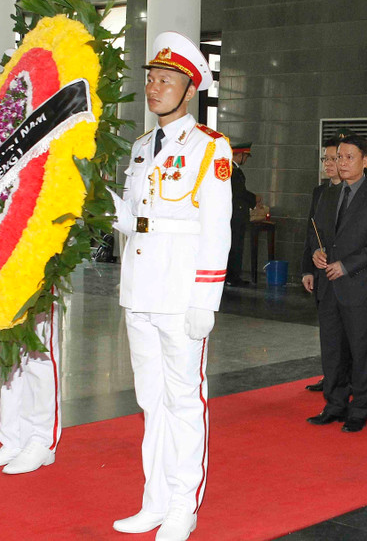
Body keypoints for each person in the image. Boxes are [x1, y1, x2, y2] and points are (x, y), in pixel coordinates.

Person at [109, 31, 232, 540]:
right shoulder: (140, 147)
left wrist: (206, 298)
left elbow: (216, 227)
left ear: (190, 89)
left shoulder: (209, 147)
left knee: (184, 400)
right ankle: (154, 499)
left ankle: (184, 503)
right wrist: (116, 213)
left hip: (181, 296)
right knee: (150, 400)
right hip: (139, 292)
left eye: (166, 79)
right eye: (151, 78)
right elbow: (143, 219)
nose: (154, 87)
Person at [305, 134, 367, 433]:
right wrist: (317, 253)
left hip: (358, 284)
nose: (341, 163)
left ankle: (359, 410)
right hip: (328, 285)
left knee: (361, 349)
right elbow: (316, 234)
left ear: (365, 161)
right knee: (332, 349)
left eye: (349, 157)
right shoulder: (327, 195)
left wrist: (347, 265)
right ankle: (335, 404)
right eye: (338, 157)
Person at [0, 305, 62, 474]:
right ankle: (13, 440)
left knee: (40, 355)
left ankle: (42, 441)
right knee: (12, 356)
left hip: (39, 283)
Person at [301, 137, 343, 392]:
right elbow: (311, 231)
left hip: (346, 273)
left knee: (347, 334)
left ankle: (344, 380)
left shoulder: (353, 193)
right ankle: (330, 377)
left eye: (333, 158)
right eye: (324, 159)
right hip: (322, 271)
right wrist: (308, 266)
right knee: (327, 331)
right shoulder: (320, 192)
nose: (328, 164)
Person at [226, 142, 261, 287]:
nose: (246, 159)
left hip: (237, 214)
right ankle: (232, 277)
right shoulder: (232, 170)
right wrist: (254, 199)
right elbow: (238, 192)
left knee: (237, 245)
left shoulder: (234, 169)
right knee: (235, 246)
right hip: (235, 215)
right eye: (245, 156)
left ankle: (233, 276)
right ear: (239, 155)